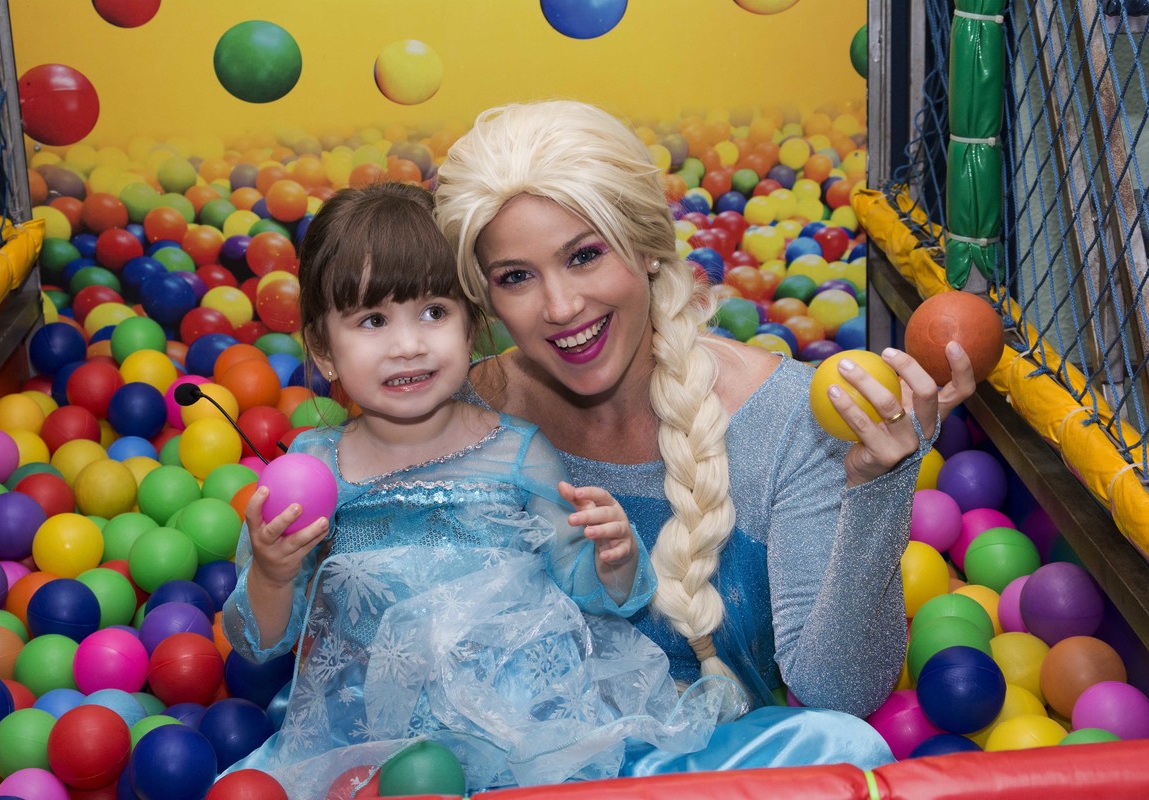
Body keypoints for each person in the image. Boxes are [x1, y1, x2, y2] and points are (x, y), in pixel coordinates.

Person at [433, 99, 978, 774]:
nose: (562, 307)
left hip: (725, 772)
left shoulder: (787, 417)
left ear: (648, 249)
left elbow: (839, 695)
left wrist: (879, 488)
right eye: (516, 277)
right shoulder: (458, 421)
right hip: (525, 777)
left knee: (847, 748)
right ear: (486, 298)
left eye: (585, 256)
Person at [221, 183, 741, 799]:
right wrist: (274, 574)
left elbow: (586, 590)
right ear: (323, 351)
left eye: (434, 312)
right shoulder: (315, 467)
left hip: (515, 732)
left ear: (472, 326)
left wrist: (616, 559)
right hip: (364, 740)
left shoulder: (516, 450)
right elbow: (260, 642)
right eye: (372, 321)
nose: (408, 345)